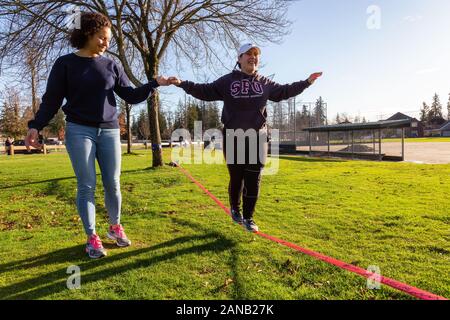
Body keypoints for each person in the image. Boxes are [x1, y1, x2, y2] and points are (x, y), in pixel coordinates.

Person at [25, 12, 171, 258]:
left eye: (109, 39)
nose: (106, 43)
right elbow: (51, 100)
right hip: (79, 130)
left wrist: (155, 83)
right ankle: (92, 237)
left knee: (113, 183)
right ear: (88, 34)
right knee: (86, 185)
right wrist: (35, 125)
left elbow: (131, 95)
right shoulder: (65, 64)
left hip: (110, 131)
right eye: (102, 38)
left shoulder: (111, 64)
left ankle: (115, 227)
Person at [169, 43, 322, 232]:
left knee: (254, 179)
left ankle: (249, 218)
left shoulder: (264, 82)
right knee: (237, 178)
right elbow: (205, 90)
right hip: (234, 136)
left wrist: (307, 82)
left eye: (256, 54)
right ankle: (235, 208)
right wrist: (183, 83)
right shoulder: (227, 81)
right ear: (239, 59)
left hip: (258, 137)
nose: (253, 57)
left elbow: (284, 91)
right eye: (248, 54)